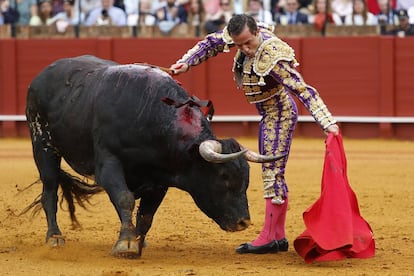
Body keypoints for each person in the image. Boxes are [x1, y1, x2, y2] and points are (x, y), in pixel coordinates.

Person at [169, 14, 339, 254]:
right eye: (238, 45)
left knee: (272, 172)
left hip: (278, 113)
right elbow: (210, 44)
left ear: (257, 32)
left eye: (248, 43)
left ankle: (270, 236)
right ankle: (277, 236)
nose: (244, 49)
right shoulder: (240, 37)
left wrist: (326, 121)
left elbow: (304, 90)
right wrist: (185, 63)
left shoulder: (273, 55)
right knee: (272, 170)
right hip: (266, 113)